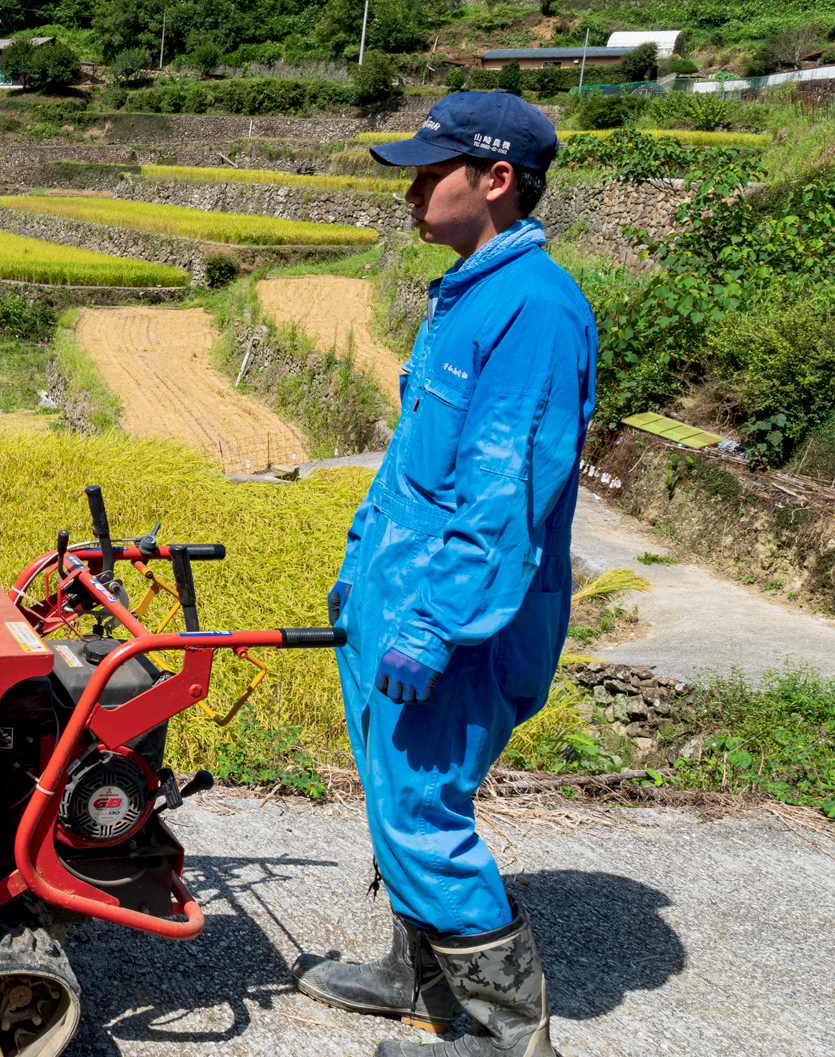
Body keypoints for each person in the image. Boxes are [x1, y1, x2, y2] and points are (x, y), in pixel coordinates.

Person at [292, 91, 596, 1057]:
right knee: (392, 790)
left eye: (432, 171)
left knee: (423, 805)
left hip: (463, 618)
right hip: (398, 592)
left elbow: (504, 499)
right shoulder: (468, 291)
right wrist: (357, 563)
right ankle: (415, 977)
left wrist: (432, 625)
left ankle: (512, 1038)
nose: (413, 189)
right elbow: (414, 463)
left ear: (496, 179)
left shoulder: (535, 311)